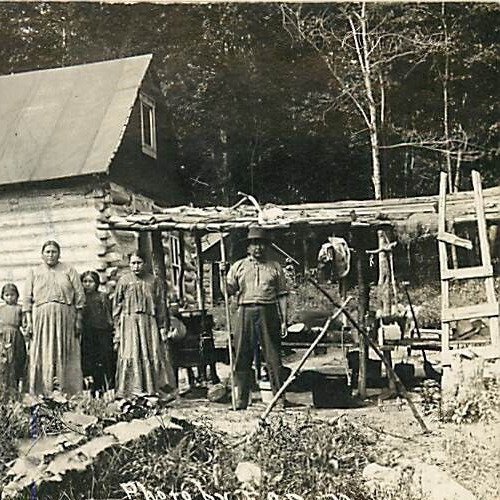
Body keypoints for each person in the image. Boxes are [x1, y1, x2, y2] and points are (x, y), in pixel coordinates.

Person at [226, 227, 288, 409]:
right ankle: (241, 399)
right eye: (254, 244)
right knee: (241, 355)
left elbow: (282, 295)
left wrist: (284, 320)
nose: (258, 248)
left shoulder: (275, 267)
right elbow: (229, 290)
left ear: (266, 247)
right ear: (248, 247)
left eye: (261, 244)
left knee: (273, 356)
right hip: (244, 310)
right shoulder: (238, 266)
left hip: (268, 311)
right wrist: (225, 279)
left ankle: (279, 398)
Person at [23, 240, 85, 396]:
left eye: (54, 252)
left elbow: (79, 296)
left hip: (65, 316)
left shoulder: (69, 270)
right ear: (42, 254)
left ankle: (67, 390)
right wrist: (29, 322)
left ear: (59, 254)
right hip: (41, 318)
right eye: (47, 252)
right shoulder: (34, 272)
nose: (51, 255)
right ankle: (42, 390)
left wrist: (78, 320)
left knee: (64, 350)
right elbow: (27, 299)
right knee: (43, 351)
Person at [113, 251, 176, 399]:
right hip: (129, 322)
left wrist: (162, 327)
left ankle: (152, 388)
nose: (136, 266)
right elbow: (116, 305)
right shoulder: (124, 281)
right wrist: (117, 327)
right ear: (129, 264)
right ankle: (129, 390)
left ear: (145, 264)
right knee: (131, 352)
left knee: (151, 351)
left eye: (139, 263)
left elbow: (160, 305)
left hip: (149, 322)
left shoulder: (153, 281)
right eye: (133, 263)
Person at [80, 270, 115, 394]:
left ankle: (105, 386)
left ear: (97, 283)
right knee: (89, 359)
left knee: (104, 358)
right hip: (87, 333)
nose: (87, 284)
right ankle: (91, 387)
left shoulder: (102, 296)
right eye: (85, 281)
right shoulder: (80, 298)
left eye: (91, 282)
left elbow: (108, 314)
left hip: (102, 332)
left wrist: (111, 328)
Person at [0, 283, 26, 391]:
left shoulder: (20, 308)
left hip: (17, 337)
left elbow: (24, 323)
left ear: (17, 295)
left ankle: (16, 386)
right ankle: (5, 387)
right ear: (2, 296)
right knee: (5, 361)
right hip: (3, 336)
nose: (10, 297)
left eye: (12, 295)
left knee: (17, 359)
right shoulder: (1, 309)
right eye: (7, 295)